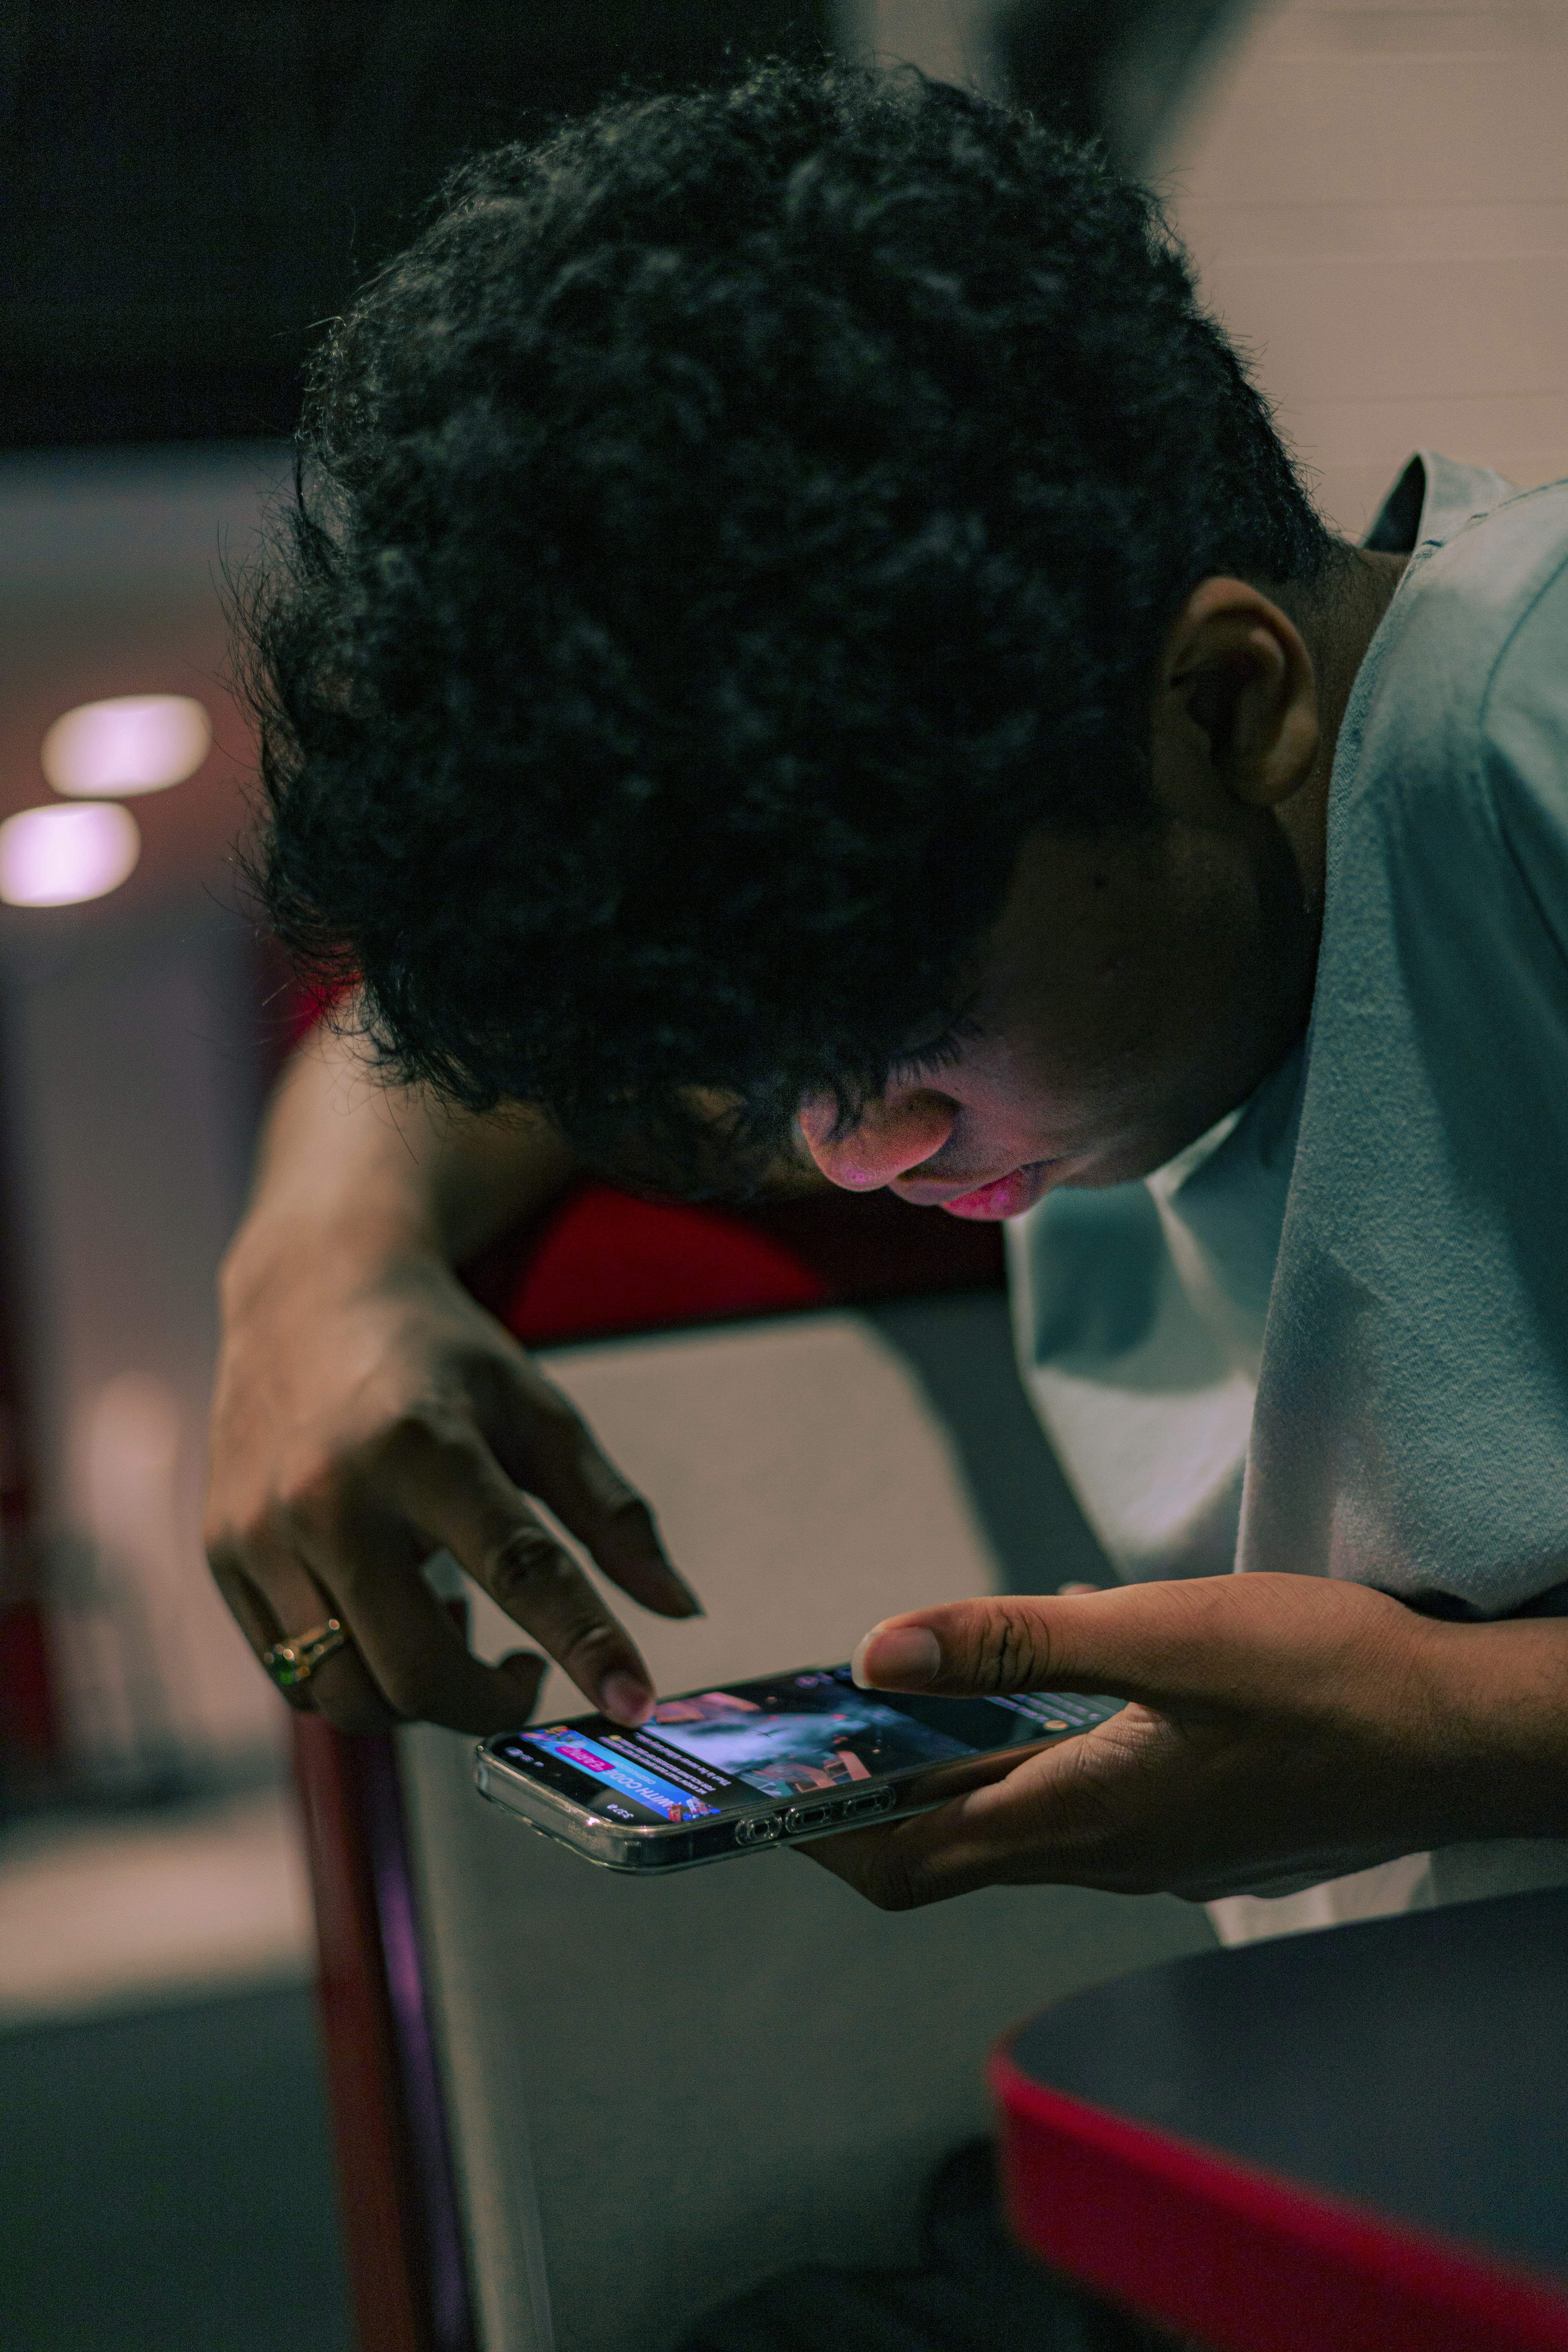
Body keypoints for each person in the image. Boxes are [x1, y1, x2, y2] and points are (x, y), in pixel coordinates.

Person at [208, 64, 1568, 1935]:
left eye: (896, 1038)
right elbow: (456, 1071)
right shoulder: (1069, 948)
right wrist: (313, 1270)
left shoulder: (1525, 715)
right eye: (771, 1078)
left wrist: (1468, 1736)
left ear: (1228, 705)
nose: (850, 1158)